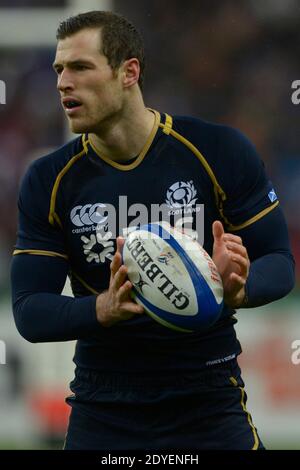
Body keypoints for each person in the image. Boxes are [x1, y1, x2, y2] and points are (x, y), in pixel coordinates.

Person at [11, 10, 295, 450]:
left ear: (129, 72)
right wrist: (101, 308)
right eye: (59, 69)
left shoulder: (217, 150)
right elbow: (29, 310)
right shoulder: (48, 180)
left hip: (209, 399)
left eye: (80, 67)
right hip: (104, 405)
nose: (63, 82)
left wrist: (238, 286)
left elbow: (280, 262)